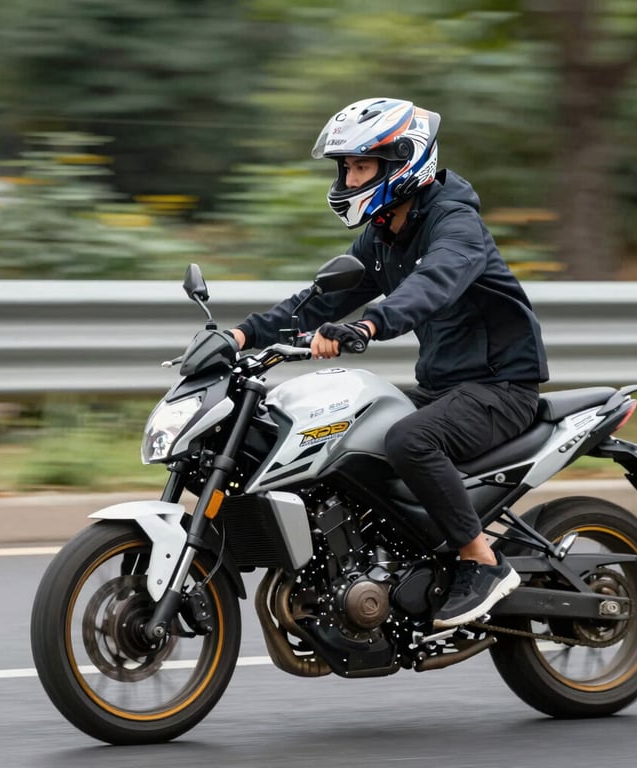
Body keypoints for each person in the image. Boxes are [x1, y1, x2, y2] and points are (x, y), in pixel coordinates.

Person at [229, 97, 549, 629]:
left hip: (501, 388)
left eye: (362, 166)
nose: (350, 178)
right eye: (347, 167)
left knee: (409, 440)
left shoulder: (454, 223)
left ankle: (481, 562)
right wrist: (240, 334)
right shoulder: (383, 233)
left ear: (403, 160)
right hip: (446, 388)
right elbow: (317, 302)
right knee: (347, 437)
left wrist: (369, 324)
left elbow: (434, 283)